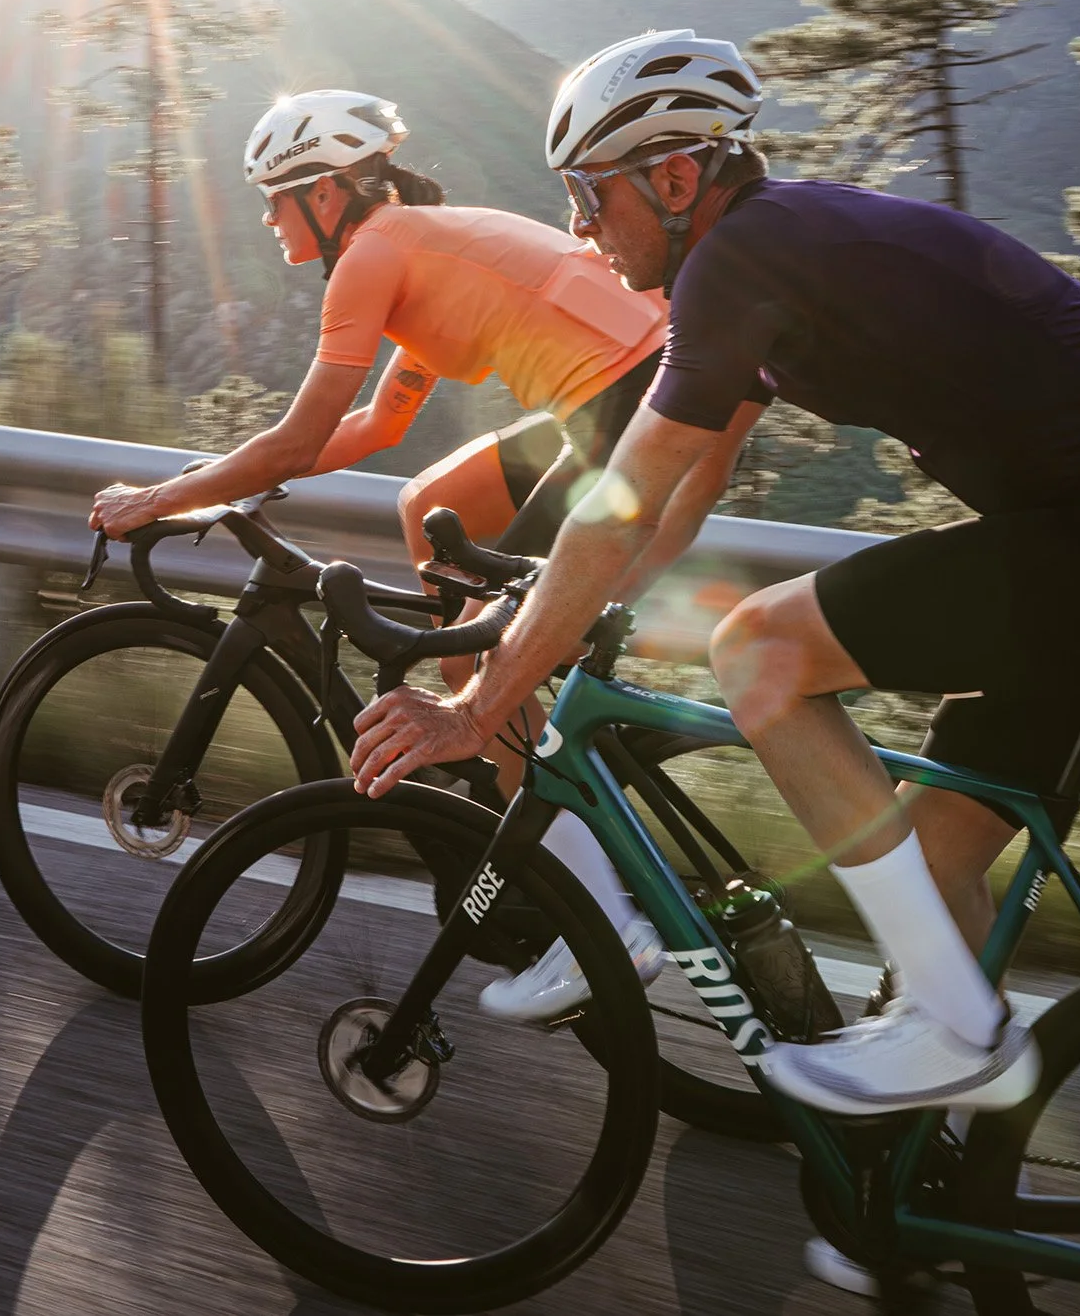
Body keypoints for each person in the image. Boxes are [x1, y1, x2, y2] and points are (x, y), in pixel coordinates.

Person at [352, 27, 1080, 1116]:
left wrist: (479, 706)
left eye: (589, 194)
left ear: (676, 179)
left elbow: (623, 499)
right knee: (931, 866)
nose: (580, 229)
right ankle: (929, 1174)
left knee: (763, 649)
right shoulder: (777, 257)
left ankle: (958, 1034)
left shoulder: (747, 259)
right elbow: (679, 493)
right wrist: (572, 615)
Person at [91, 86, 699, 999]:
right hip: (621, 395)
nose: (268, 218)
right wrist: (222, 477)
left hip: (628, 406)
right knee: (432, 503)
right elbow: (376, 426)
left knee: (477, 660)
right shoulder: (413, 244)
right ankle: (510, 764)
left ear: (324, 193)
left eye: (275, 198)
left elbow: (298, 439)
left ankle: (600, 923)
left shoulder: (373, 255)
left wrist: (159, 497)